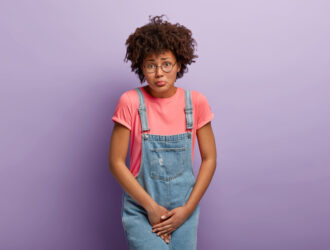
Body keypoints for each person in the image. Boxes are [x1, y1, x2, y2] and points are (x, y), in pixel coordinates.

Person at [108, 14, 217, 250]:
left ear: (179, 64)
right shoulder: (130, 102)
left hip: (184, 209)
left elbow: (210, 159)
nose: (159, 73)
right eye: (150, 65)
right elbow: (116, 162)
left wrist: (187, 209)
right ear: (141, 67)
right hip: (141, 206)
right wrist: (151, 207)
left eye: (166, 64)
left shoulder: (196, 102)